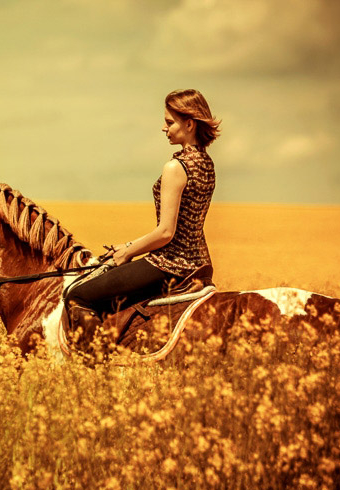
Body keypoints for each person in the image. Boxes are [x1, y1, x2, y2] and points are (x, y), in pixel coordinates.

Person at [63, 89, 221, 341]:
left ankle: (93, 368)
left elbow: (166, 232)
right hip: (199, 264)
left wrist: (128, 250)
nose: (163, 128)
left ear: (189, 124)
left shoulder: (175, 167)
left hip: (170, 265)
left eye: (169, 122)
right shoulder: (206, 163)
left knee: (77, 296)